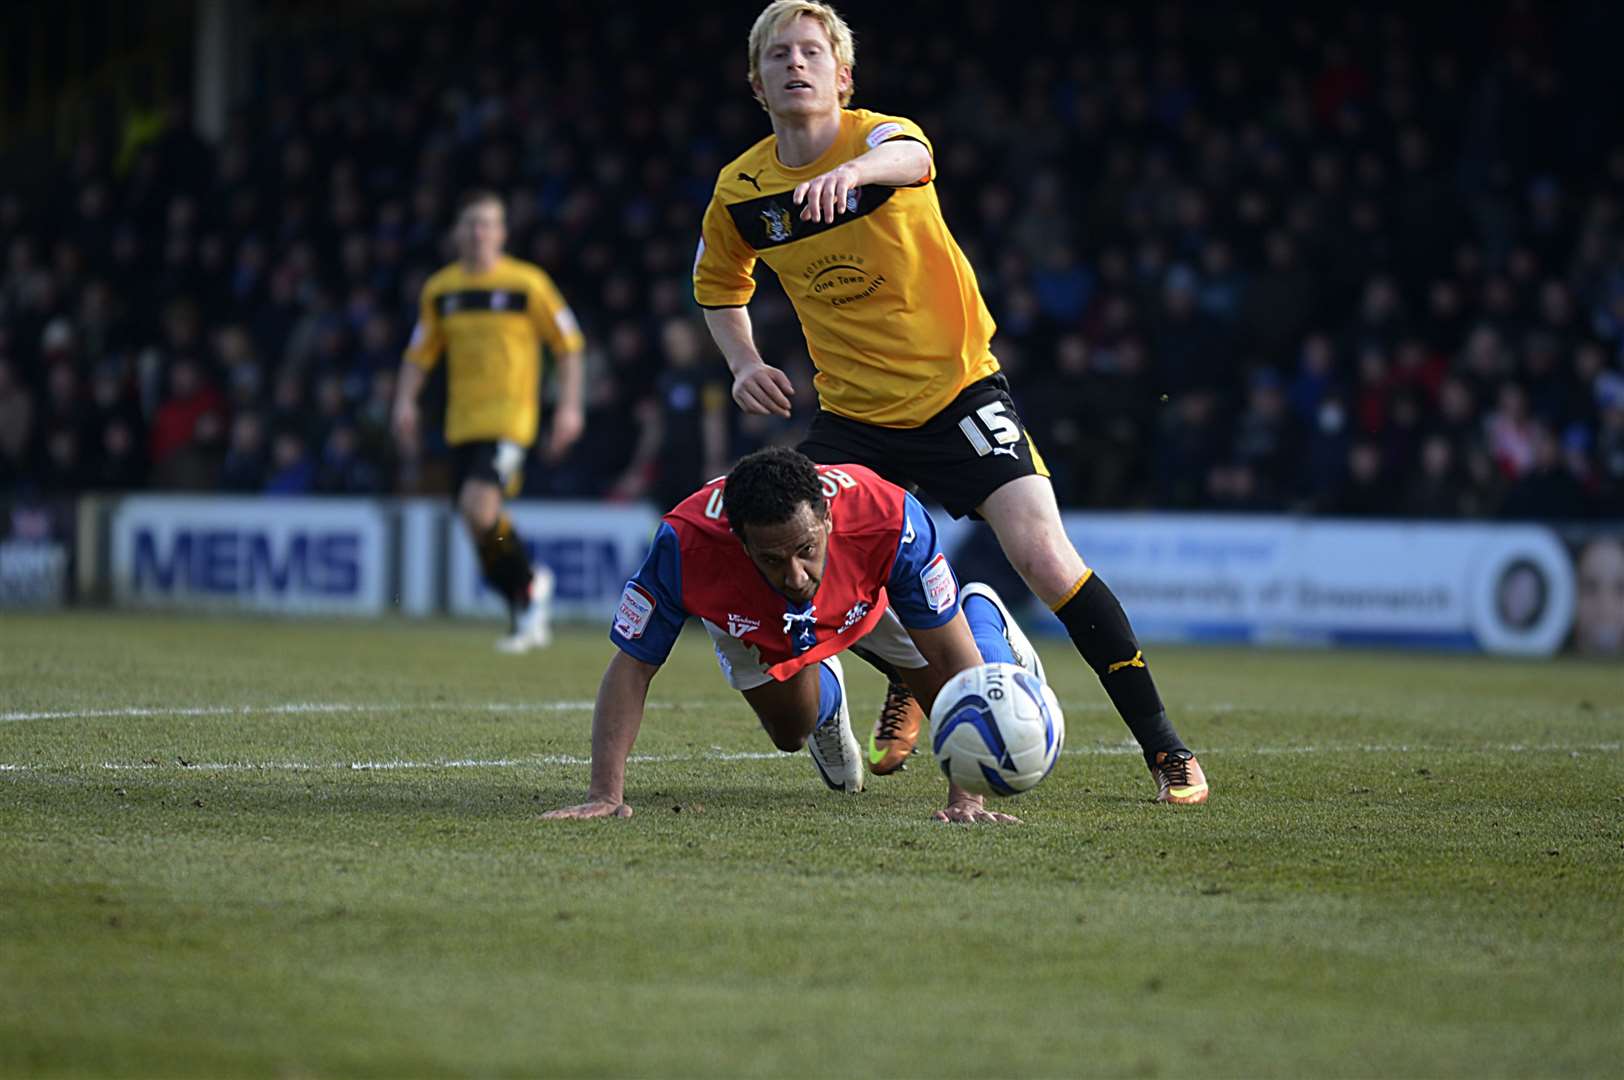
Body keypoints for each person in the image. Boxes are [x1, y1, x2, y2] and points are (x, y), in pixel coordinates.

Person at [693, 0, 1208, 803]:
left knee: (1043, 555)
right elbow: (720, 285)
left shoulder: (877, 138)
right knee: (796, 555)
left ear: (842, 75)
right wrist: (743, 362)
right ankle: (910, 670)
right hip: (854, 417)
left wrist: (853, 173)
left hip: (958, 391)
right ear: (755, 82)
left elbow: (911, 158)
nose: (796, 64)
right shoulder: (741, 189)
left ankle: (1165, 746)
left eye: (811, 53)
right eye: (778, 56)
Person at [542, 447, 1044, 824]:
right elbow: (633, 664)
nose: (797, 574)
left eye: (806, 548)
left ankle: (983, 615)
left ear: (826, 515)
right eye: (773, 558)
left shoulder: (889, 519)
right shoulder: (684, 545)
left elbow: (953, 661)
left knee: (964, 693)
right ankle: (827, 690)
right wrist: (606, 794)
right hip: (755, 613)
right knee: (789, 733)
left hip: (873, 595)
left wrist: (966, 798)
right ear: (740, 542)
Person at [393, 190, 586, 653]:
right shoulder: (442, 290)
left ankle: (530, 588)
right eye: (471, 223)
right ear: (458, 233)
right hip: (462, 423)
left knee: (478, 509)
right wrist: (404, 401)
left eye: (488, 223)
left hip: (510, 418)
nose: (479, 232)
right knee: (478, 524)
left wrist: (569, 406)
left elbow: (569, 344)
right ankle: (524, 596)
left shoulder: (528, 284)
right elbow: (419, 354)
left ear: (502, 233)